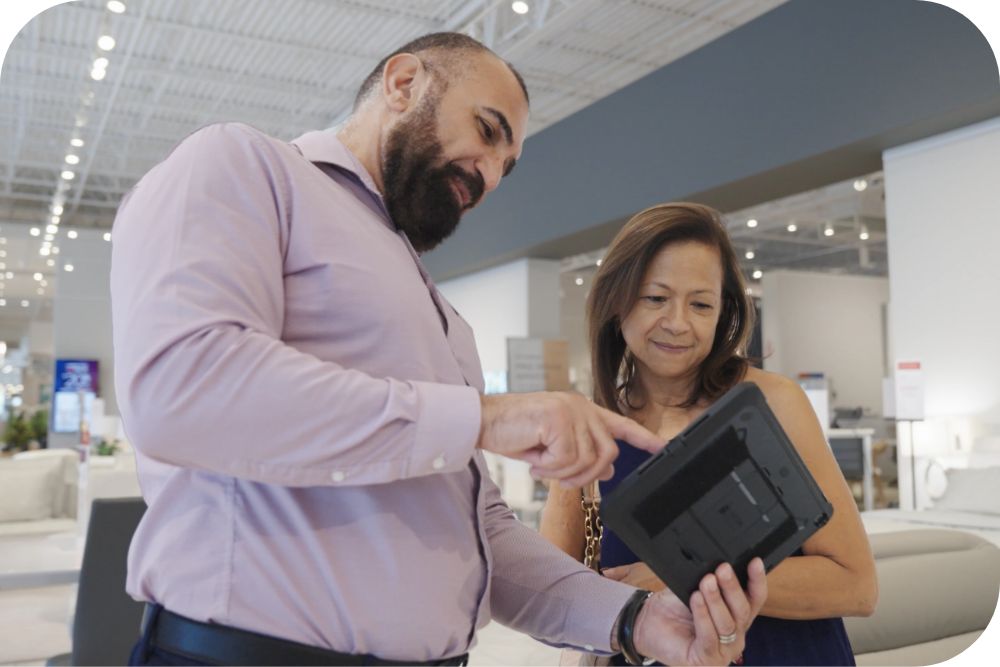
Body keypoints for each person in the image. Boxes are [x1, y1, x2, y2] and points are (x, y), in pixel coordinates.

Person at [110, 34, 766, 666]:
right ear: (402, 83)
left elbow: (477, 532)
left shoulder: (442, 317)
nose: (489, 175)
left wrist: (636, 618)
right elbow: (181, 387)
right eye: (486, 130)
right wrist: (486, 417)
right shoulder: (246, 164)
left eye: (506, 166)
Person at [541, 202, 878, 666]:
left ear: (724, 313)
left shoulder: (772, 404)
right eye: (656, 298)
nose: (679, 323)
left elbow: (856, 584)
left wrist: (678, 579)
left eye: (701, 304)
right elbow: (551, 597)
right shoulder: (591, 429)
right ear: (616, 303)